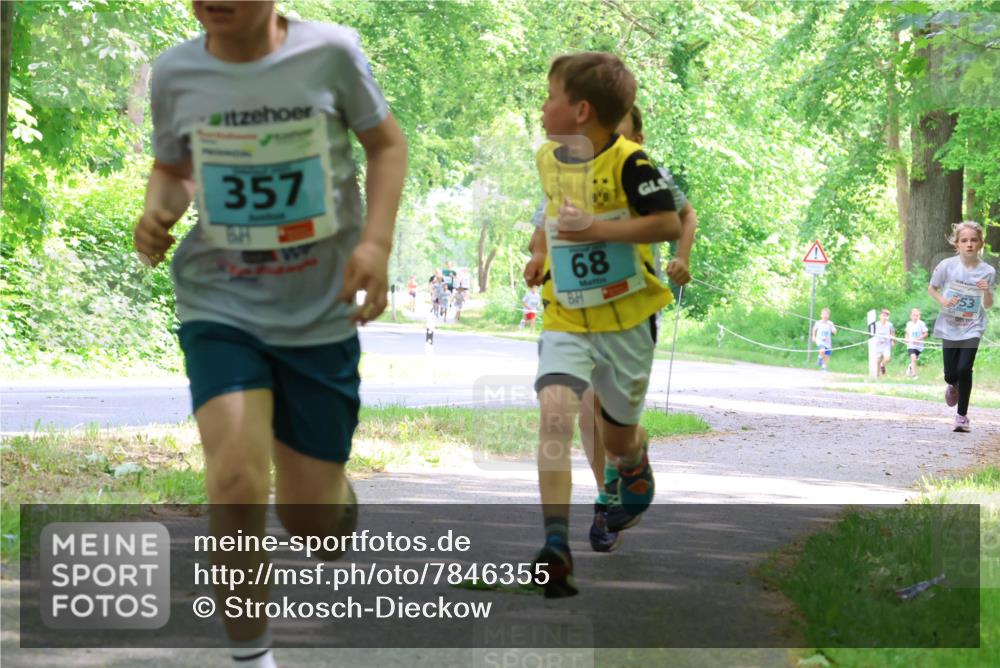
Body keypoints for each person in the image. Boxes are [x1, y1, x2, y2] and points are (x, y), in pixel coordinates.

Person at [133, 3, 407, 666]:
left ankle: (331, 497)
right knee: (233, 479)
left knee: (312, 522)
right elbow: (175, 167)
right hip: (220, 302)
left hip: (319, 311)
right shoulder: (176, 71)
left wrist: (376, 243)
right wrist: (158, 210)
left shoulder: (332, 54)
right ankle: (252, 658)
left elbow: (387, 144)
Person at [522, 52, 682, 597]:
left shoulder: (634, 164)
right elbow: (551, 211)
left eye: (550, 96)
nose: (542, 107)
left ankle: (633, 461)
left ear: (581, 109)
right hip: (566, 311)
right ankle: (555, 544)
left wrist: (596, 229)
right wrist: (542, 250)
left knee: (615, 438)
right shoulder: (548, 158)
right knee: (555, 419)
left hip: (628, 317)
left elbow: (667, 221)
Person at [928, 221, 996, 432]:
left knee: (965, 368)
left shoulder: (988, 271)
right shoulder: (947, 265)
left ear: (981, 243)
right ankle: (952, 384)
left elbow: (988, 305)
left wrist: (987, 291)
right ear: (956, 244)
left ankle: (962, 417)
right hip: (949, 324)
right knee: (951, 374)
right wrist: (944, 301)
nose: (969, 244)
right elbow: (932, 288)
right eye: (964, 240)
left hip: (973, 326)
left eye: (973, 240)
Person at [904, 308, 928, 378]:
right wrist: (906, 339)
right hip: (911, 345)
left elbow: (926, 334)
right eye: (914, 315)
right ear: (911, 316)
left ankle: (910, 367)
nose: (915, 317)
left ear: (919, 316)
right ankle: (914, 375)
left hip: (919, 346)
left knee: (914, 359)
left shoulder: (921, 323)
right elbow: (906, 333)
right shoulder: (908, 324)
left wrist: (918, 339)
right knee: (913, 358)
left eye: (917, 315)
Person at [873, 309, 895, 377]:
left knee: (887, 358)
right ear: (880, 316)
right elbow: (872, 333)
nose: (884, 317)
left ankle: (883, 364)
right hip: (878, 344)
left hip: (886, 344)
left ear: (888, 317)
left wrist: (893, 341)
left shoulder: (890, 325)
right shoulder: (876, 324)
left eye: (886, 315)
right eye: (883, 315)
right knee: (878, 360)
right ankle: (877, 375)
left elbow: (893, 333)